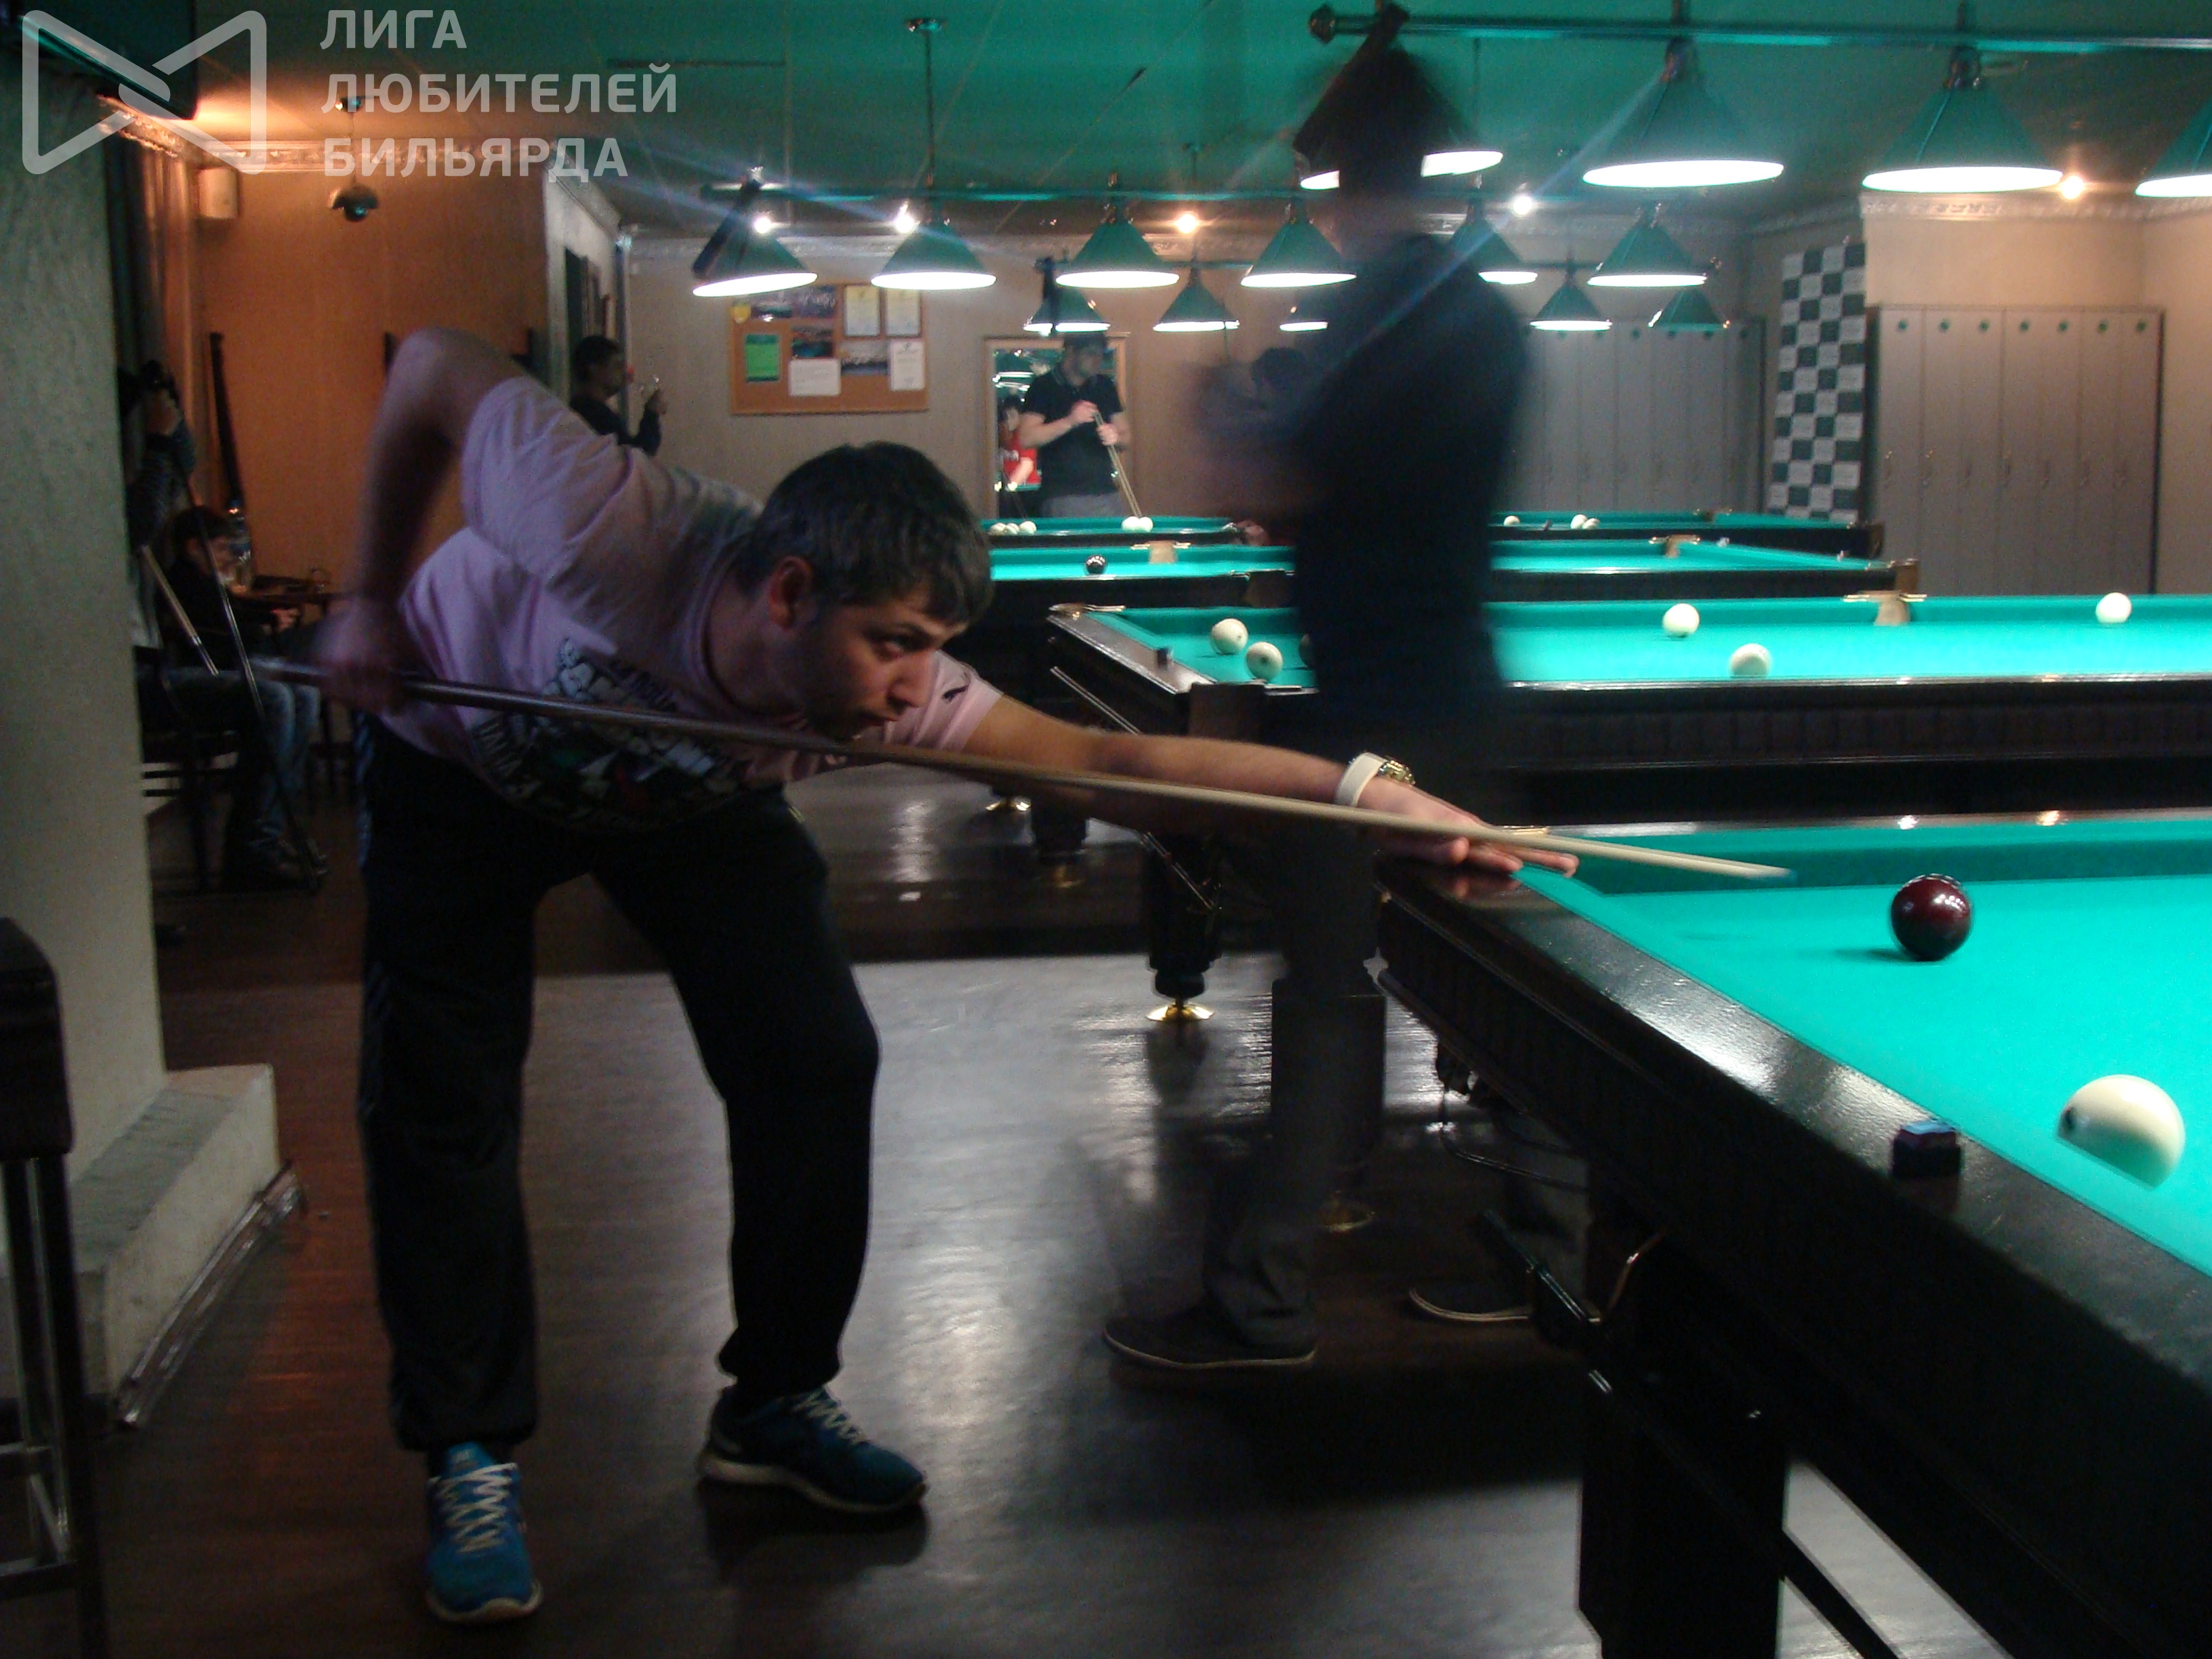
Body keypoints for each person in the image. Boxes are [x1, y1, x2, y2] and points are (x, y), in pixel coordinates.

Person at [315, 326, 1566, 1626]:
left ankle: (773, 1401)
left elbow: (1118, 768)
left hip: (691, 794)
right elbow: (428, 369)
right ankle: (467, 1451)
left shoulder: (886, 684)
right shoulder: (598, 517)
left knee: (814, 1057)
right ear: (788, 595)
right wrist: (365, 595)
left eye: (932, 650)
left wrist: (1365, 797)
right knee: (443, 1097)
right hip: (454, 758)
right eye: (893, 644)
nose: (914, 690)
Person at [1100, 40, 1531, 1370]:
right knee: (1509, 990)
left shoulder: (1375, 318)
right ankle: (1553, 1257)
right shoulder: (1483, 314)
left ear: (1345, 181)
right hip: (1461, 689)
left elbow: (1272, 489)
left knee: (1330, 995)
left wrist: (1214, 412)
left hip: (1373, 714)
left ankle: (1263, 1300)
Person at [1015, 336, 1126, 517]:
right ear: (1071, 352)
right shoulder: (1043, 386)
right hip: (1062, 495)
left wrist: (1115, 437)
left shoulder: (1105, 386)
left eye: (1100, 355)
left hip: (1107, 493)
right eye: (1090, 354)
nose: (1097, 360)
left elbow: (1126, 437)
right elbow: (1027, 438)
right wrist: (1071, 421)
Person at [568, 333, 663, 454]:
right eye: (617, 366)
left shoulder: (584, 409)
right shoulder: (595, 416)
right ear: (594, 369)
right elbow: (638, 455)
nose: (624, 374)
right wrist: (652, 413)